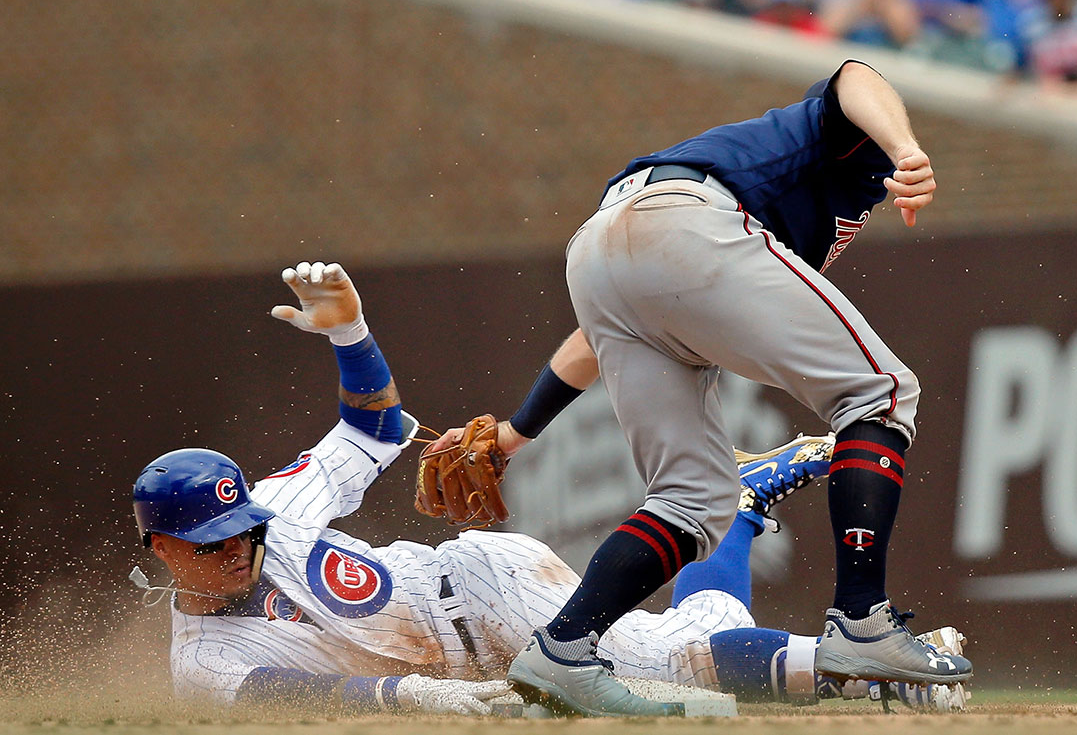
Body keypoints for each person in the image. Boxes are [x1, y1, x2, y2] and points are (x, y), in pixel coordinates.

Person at [131, 260, 970, 715]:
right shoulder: (205, 664)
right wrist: (431, 696)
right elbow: (322, 695)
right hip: (460, 666)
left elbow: (375, 428)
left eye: (241, 525)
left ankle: (865, 671)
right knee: (703, 626)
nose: (240, 543)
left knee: (666, 659)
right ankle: (740, 508)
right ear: (163, 548)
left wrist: (351, 331)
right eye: (213, 540)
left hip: (481, 589)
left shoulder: (275, 513)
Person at [430, 59, 973, 716]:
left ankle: (564, 651)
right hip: (688, 215)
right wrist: (907, 146)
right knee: (880, 394)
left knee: (697, 500)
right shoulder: (842, 139)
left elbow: (590, 341)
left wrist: (518, 431)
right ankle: (861, 619)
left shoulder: (807, 209)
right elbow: (857, 76)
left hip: (605, 251)